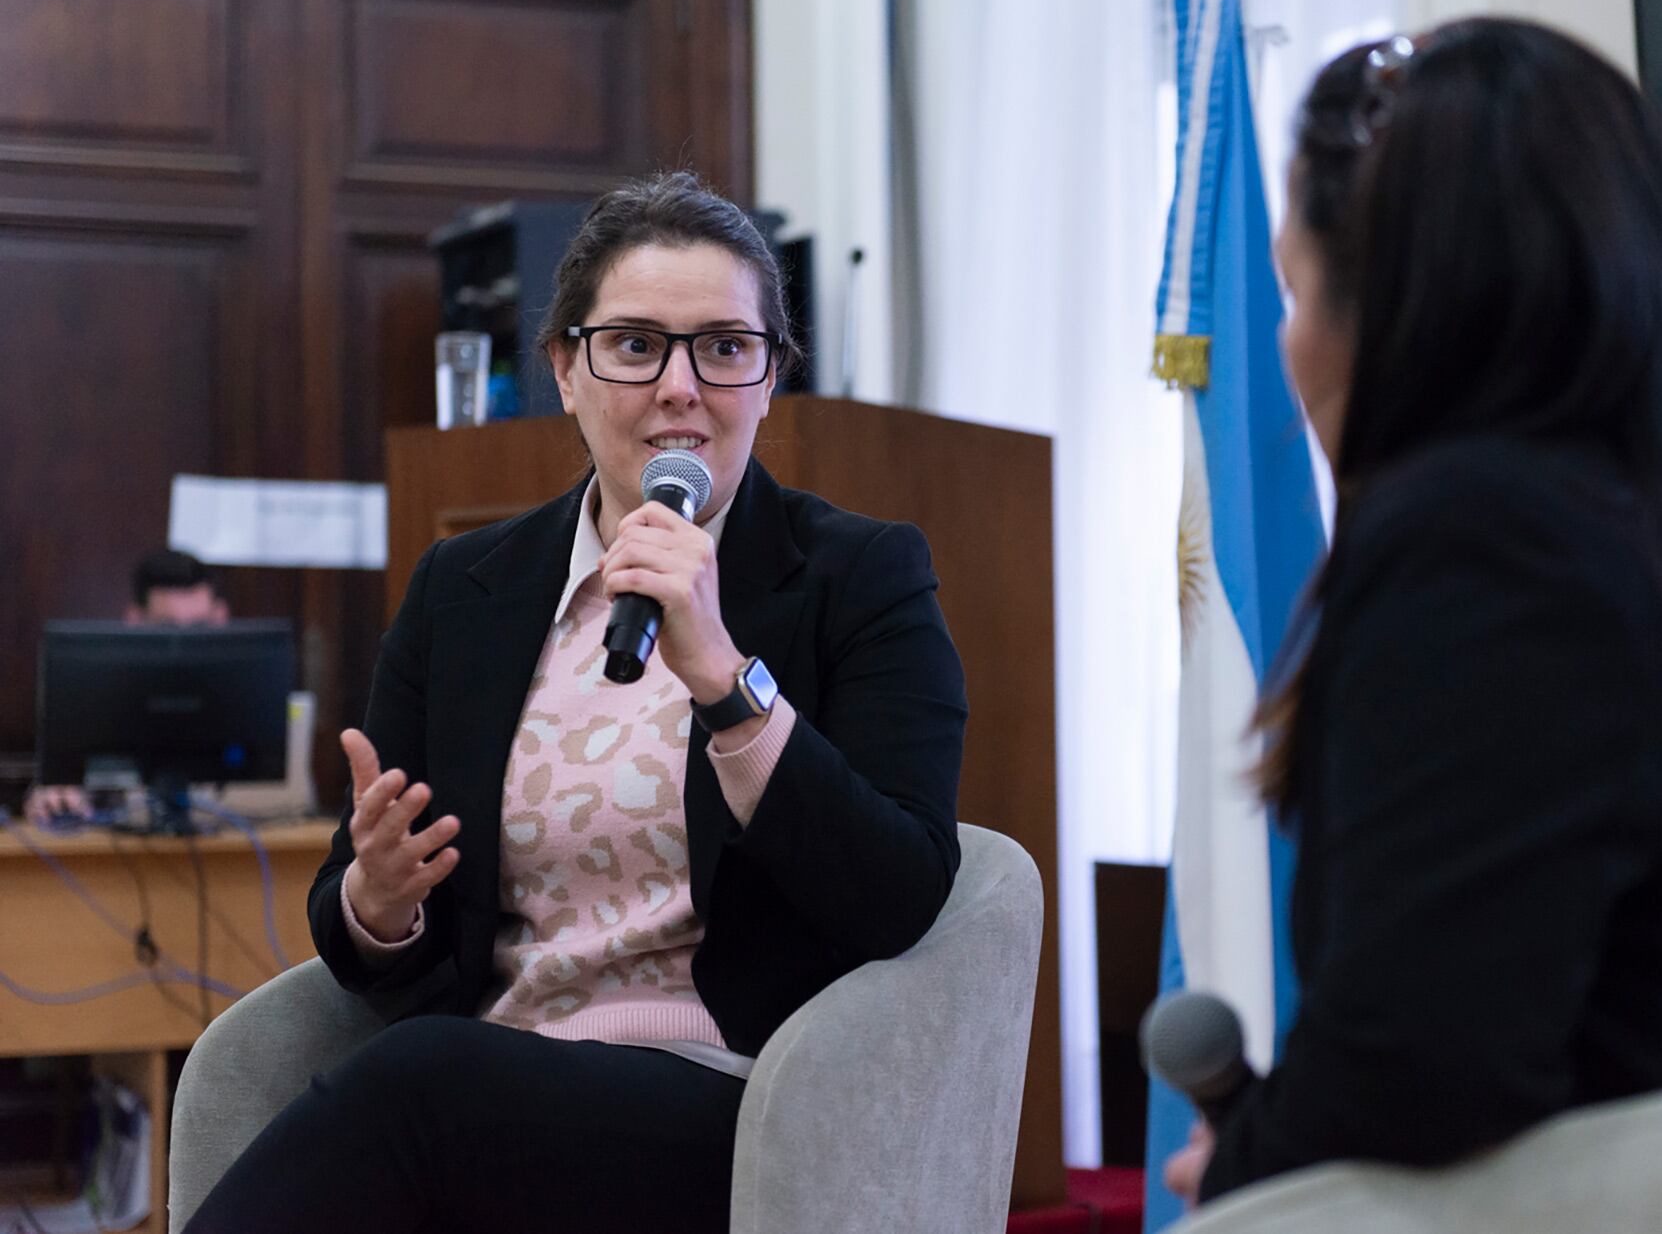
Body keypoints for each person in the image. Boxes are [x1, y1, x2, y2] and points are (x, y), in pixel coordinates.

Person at [1166, 19, 1662, 1205]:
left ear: (1404, 313)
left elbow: (1415, 1063)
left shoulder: (1479, 543)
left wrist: (1248, 1174)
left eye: (1297, 287)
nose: (1288, 339)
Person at [183, 173, 967, 1233]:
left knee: (422, 1087)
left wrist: (729, 683)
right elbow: (361, 919)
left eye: (726, 348)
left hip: (741, 1096)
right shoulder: (464, 590)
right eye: (637, 346)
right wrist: (380, 897)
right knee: (429, 1084)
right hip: (496, 1077)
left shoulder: (859, 577)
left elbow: (901, 888)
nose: (681, 387)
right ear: (564, 367)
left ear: (771, 378)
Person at [22, 550, 231, 824]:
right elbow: (55, 790)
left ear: (221, 616)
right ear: (135, 619)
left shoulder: (251, 694)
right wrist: (55, 798)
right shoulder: (91, 699)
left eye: (199, 626)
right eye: (168, 628)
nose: (184, 645)